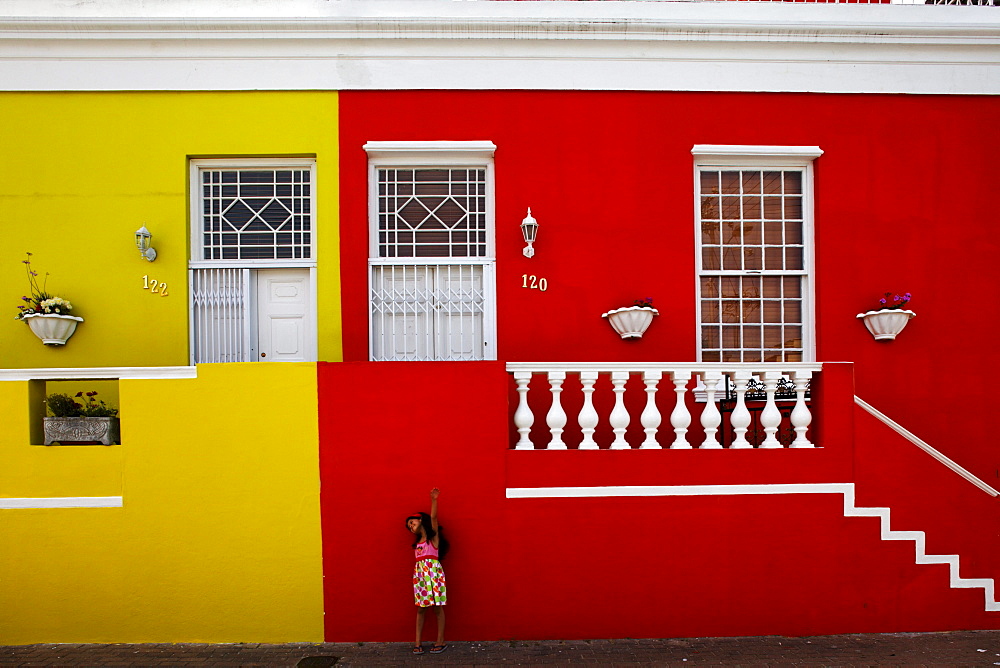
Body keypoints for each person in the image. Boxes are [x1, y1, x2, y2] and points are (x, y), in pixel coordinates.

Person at [406, 488, 448, 654]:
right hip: (421, 577)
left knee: (437, 607)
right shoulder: (417, 544)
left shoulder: (433, 538)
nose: (410, 526)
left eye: (412, 522)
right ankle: (417, 643)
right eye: (409, 525)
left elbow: (434, 518)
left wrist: (434, 500)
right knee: (421, 608)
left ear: (421, 520)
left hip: (434, 574)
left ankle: (440, 641)